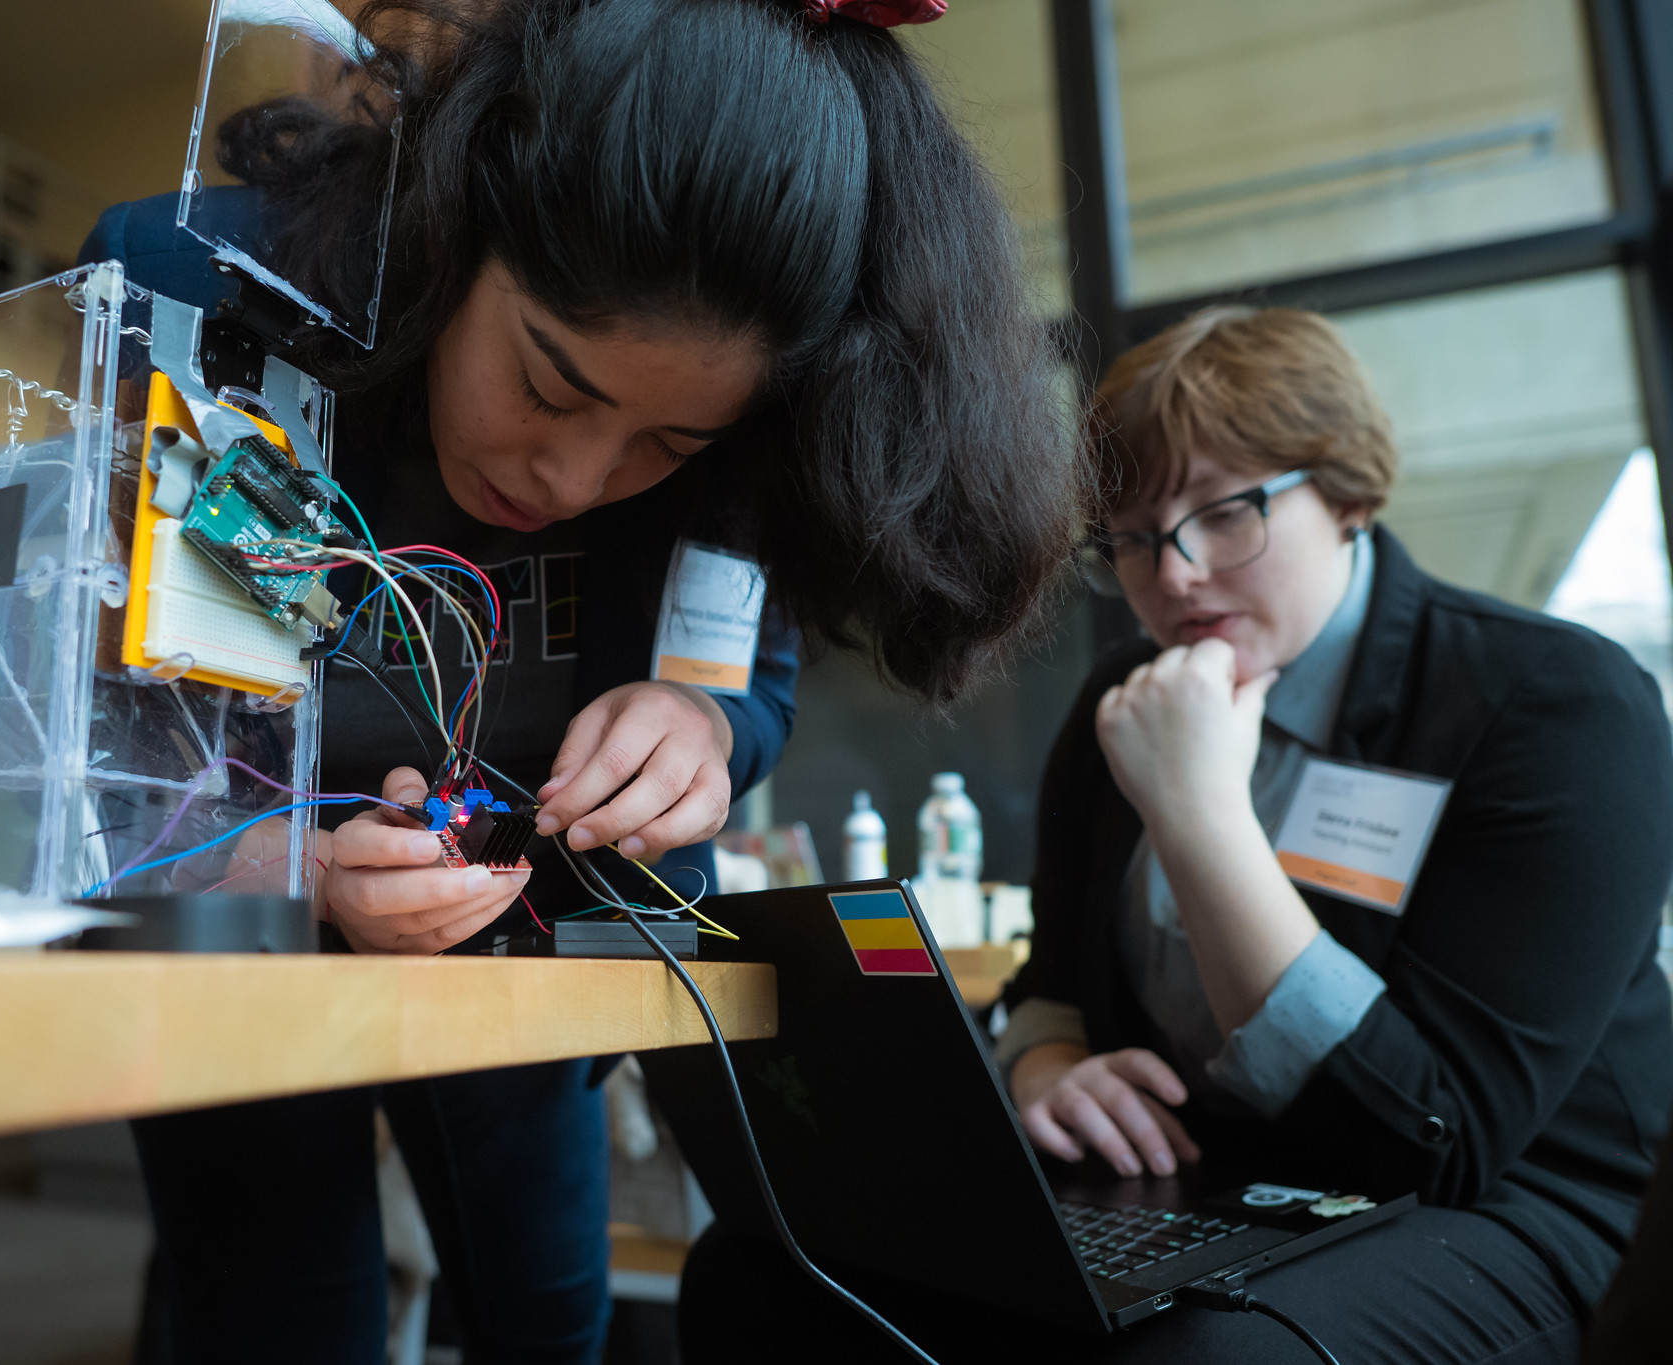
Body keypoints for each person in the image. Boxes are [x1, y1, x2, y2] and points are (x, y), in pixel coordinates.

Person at [80, 1, 1081, 1359]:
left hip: (532, 939)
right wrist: (289, 866)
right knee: (278, 1312)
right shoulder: (200, 289)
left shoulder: (750, 431)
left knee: (547, 1305)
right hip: (240, 938)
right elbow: (102, 739)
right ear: (456, 219)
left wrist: (702, 726)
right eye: (548, 383)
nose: (566, 484)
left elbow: (746, 679)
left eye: (661, 443)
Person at [677, 306, 1673, 1363]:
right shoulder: (1120, 700)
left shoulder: (1549, 702)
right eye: (1133, 539)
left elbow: (1441, 1137)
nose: (1176, 572)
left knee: (1195, 1359)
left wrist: (1198, 815)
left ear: (1348, 496)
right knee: (768, 1275)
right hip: (1218, 1180)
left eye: (1227, 513)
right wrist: (1043, 1065)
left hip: (1509, 1214)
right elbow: (1048, 981)